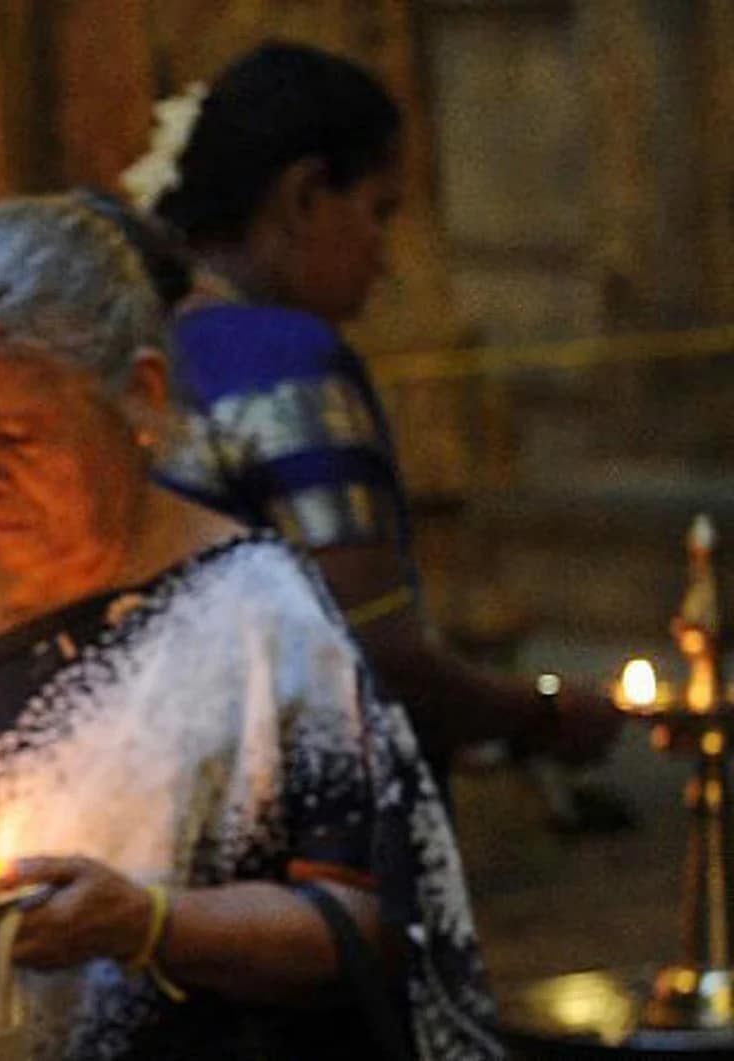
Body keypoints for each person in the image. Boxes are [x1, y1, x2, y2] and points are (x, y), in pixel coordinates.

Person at [0, 195, 500, 1059]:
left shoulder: (255, 611)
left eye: (17, 437)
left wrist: (151, 922)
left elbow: (365, 919)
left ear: (141, 394)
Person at [150, 41, 617, 783]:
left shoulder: (145, 332)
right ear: (304, 196)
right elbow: (370, 651)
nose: (385, 255)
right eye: (379, 211)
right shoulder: (281, 358)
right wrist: (543, 714)